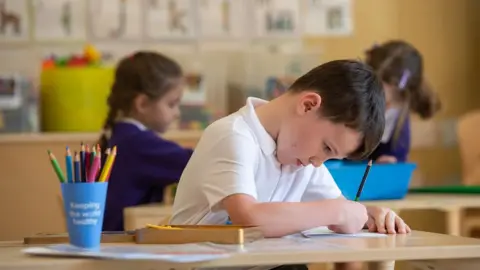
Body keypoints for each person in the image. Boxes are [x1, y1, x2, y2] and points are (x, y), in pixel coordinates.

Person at [170, 60, 410, 270]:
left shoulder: (302, 158)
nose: (319, 163)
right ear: (307, 105)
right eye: (326, 147)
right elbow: (249, 218)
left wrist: (370, 215)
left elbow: (340, 208)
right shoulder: (233, 135)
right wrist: (338, 211)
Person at [99, 51, 193, 231]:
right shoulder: (136, 143)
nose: (177, 113)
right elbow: (196, 163)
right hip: (120, 246)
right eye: (171, 104)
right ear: (142, 104)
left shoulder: (121, 135)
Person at [365, 40, 441, 163]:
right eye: (375, 92)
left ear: (405, 96)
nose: (385, 105)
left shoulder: (399, 121)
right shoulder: (351, 106)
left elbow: (397, 159)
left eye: (393, 98)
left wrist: (390, 164)